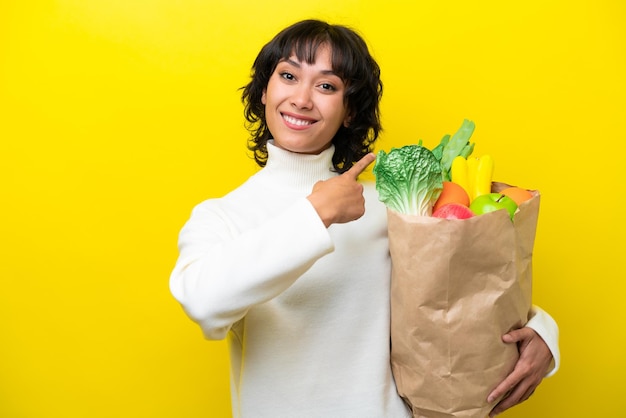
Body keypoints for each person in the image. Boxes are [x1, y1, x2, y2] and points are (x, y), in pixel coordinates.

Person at [169, 19, 559, 418]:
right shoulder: (223, 215)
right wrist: (316, 213)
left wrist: (545, 333)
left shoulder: (391, 206)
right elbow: (202, 302)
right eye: (288, 76)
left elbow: (461, 290)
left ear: (350, 110)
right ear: (265, 91)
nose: (302, 99)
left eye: (326, 86)